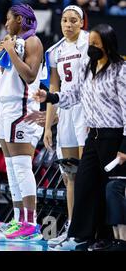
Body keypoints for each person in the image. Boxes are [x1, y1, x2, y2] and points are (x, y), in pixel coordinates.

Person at [34, 24, 126, 251]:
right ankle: (81, 235)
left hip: (113, 136)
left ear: (107, 45)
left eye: (96, 44)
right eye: (90, 43)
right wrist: (50, 96)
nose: (92, 48)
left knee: (108, 189)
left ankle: (106, 238)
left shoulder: (120, 69)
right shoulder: (87, 67)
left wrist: (124, 146)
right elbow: (73, 94)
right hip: (93, 135)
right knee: (84, 183)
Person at [0, 4, 44, 242]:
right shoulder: (13, 40)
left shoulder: (32, 41)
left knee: (22, 166)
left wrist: (12, 51)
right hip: (4, 106)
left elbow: (30, 75)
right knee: (11, 168)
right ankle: (17, 219)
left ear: (21, 20)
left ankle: (31, 223)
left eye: (9, 19)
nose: (6, 23)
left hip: (21, 108)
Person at [43, 5, 89, 246]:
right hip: (66, 111)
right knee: (70, 174)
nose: (68, 24)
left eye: (73, 20)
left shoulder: (91, 42)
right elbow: (53, 89)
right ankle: (73, 228)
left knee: (87, 174)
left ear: (82, 23)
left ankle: (89, 230)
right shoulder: (55, 51)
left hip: (88, 110)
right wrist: (48, 125)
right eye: (64, 20)